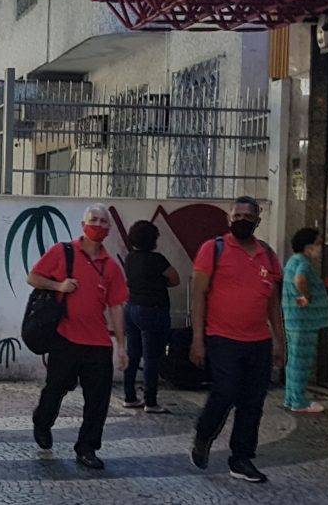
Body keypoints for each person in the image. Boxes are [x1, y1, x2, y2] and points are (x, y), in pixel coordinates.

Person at [189, 196, 285, 483]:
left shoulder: (267, 254)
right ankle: (204, 433)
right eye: (236, 215)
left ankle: (241, 459)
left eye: (248, 216)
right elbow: (197, 295)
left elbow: (272, 302)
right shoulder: (213, 249)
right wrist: (197, 339)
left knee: (253, 402)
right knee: (225, 391)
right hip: (222, 337)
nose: (242, 219)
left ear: (258, 220)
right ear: (229, 219)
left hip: (259, 341)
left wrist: (280, 341)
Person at [28, 203, 128, 470]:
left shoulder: (111, 267)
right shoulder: (63, 252)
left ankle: (87, 448)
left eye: (102, 221)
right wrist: (58, 285)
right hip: (65, 338)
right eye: (92, 219)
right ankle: (42, 421)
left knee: (98, 401)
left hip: (98, 344)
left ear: (108, 228)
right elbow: (34, 277)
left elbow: (117, 306)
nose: (97, 224)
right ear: (83, 224)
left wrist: (122, 346)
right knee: (56, 389)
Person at [122, 220, 180, 413]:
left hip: (131, 308)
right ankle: (151, 401)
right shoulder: (158, 260)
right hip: (153, 309)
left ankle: (129, 396)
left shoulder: (130, 258)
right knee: (152, 357)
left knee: (133, 354)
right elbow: (175, 279)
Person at [282, 228, 328, 413]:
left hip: (295, 319)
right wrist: (306, 296)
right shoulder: (303, 262)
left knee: (294, 361)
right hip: (304, 321)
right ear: (307, 246)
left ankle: (291, 398)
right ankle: (299, 402)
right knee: (302, 362)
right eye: (317, 243)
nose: (319, 247)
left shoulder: (292, 261)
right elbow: (300, 279)